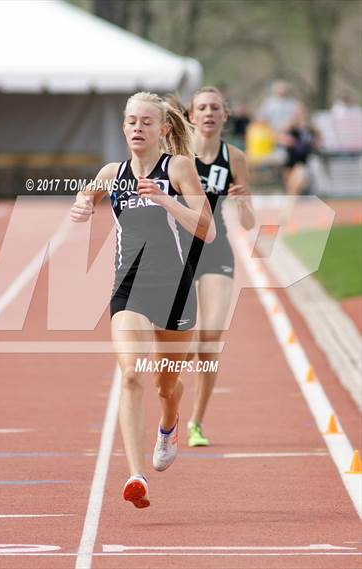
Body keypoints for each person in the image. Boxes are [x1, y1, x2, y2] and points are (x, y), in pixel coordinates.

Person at [70, 91, 215, 508]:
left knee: (165, 385)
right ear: (123, 127)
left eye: (146, 122)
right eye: (131, 121)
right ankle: (136, 476)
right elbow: (87, 194)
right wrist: (81, 206)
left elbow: (208, 230)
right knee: (131, 374)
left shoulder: (178, 168)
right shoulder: (111, 172)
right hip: (129, 288)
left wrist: (166, 199)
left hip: (174, 289)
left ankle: (169, 426)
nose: (138, 127)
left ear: (163, 129)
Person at [168, 87, 255, 447]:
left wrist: (244, 202)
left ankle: (196, 423)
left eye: (214, 108)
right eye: (201, 107)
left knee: (212, 339)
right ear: (190, 116)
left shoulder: (234, 158)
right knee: (181, 342)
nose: (208, 113)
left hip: (216, 249)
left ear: (225, 115)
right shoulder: (176, 155)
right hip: (177, 250)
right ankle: (171, 375)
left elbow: (248, 223)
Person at [278, 102, 320, 196]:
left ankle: (298, 204)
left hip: (303, 161)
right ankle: (292, 207)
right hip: (290, 160)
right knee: (290, 188)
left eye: (302, 111)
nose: (300, 113)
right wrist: (287, 140)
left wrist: (315, 143)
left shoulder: (310, 127)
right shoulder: (290, 126)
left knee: (297, 185)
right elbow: (279, 137)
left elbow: (319, 138)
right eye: (297, 111)